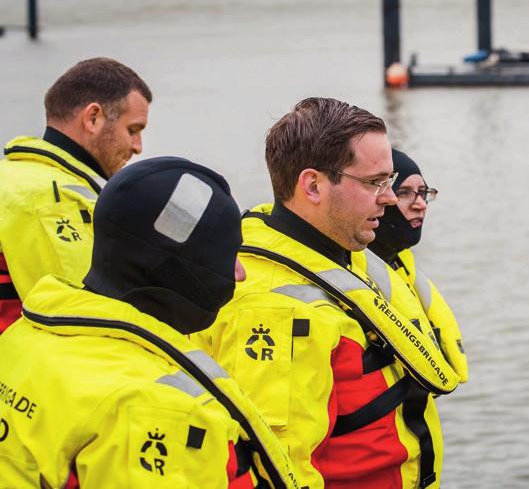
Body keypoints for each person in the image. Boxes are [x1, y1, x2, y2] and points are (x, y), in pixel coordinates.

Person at [193, 97, 459, 489]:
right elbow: (281, 468)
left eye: (388, 181)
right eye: (375, 182)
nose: (389, 197)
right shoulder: (276, 311)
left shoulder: (335, 253)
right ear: (313, 185)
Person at [0, 157, 298, 488]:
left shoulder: (23, 338)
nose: (240, 274)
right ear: (176, 269)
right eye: (229, 256)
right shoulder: (156, 404)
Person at [0, 57, 151, 333]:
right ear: (93, 118)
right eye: (133, 130)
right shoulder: (48, 199)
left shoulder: (17, 177)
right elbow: (84, 317)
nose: (137, 146)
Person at [366, 148, 469, 385]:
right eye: (404, 193)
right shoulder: (352, 274)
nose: (420, 204)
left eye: (423, 193)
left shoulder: (399, 263)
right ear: (381, 197)